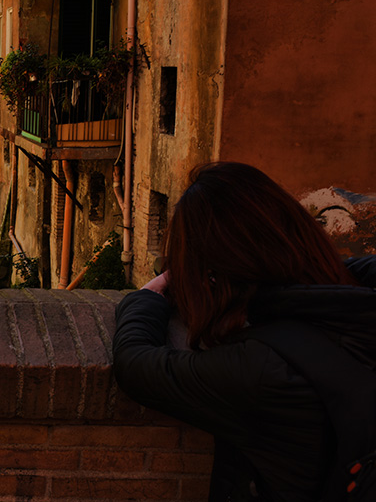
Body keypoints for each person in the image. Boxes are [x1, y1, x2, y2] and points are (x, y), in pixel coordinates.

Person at [113, 162, 376, 501]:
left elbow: (135, 365)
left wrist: (147, 297)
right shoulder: (356, 296)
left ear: (215, 273)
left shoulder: (260, 366)